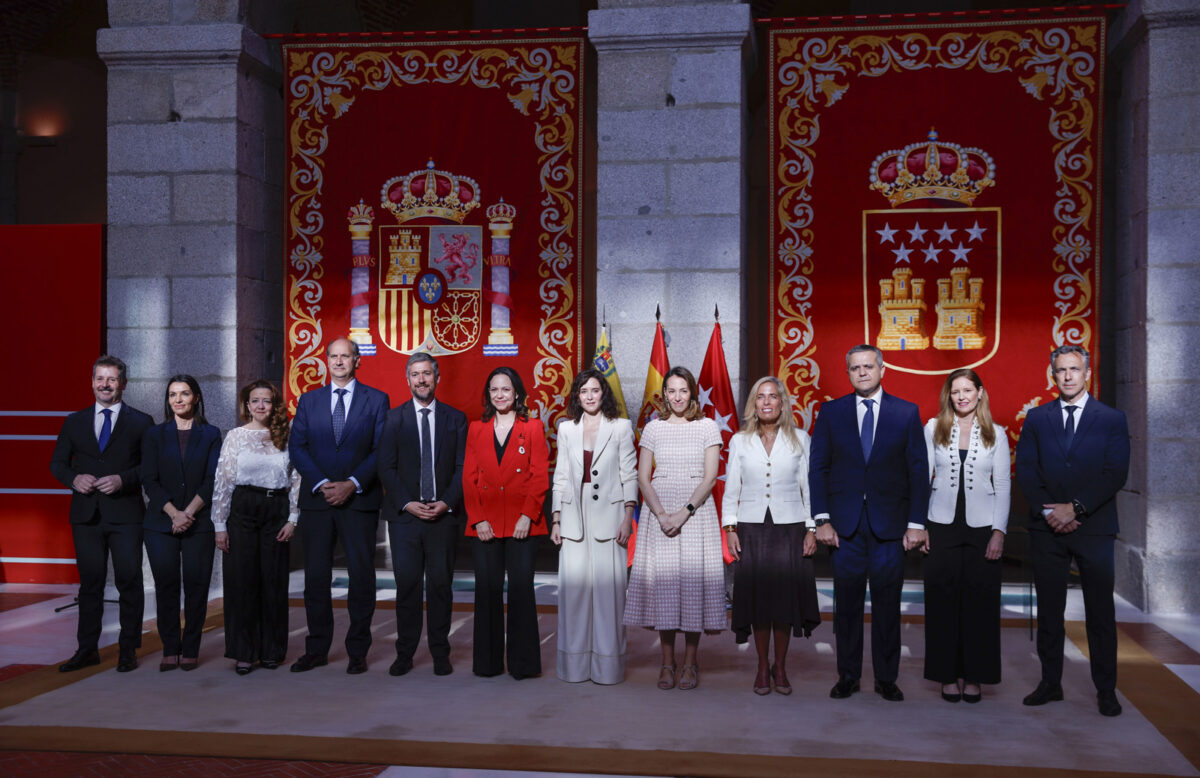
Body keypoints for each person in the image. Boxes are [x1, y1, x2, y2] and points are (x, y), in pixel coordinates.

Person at [810, 344, 929, 702]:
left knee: (887, 605)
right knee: (846, 606)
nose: (862, 372)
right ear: (848, 373)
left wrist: (916, 523)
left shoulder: (906, 413)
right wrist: (822, 520)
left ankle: (886, 678)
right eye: (855, 368)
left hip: (890, 528)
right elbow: (818, 468)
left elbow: (918, 472)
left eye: (868, 366)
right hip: (843, 528)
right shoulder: (830, 412)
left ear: (882, 369)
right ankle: (847, 675)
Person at [1015, 345, 1129, 717]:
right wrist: (1052, 511)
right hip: (1047, 528)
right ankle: (1050, 684)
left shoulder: (1111, 418)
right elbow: (1027, 471)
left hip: (1093, 528)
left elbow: (1115, 473)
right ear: (1053, 374)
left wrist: (1075, 508)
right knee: (1049, 612)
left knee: (1100, 613)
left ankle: (1106, 690)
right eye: (1060, 370)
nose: (1067, 376)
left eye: (1074, 370)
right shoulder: (1036, 418)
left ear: (1087, 373)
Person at [288, 338, 389, 675]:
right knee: (316, 577)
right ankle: (317, 648)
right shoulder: (309, 400)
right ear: (326, 360)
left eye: (346, 356)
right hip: (318, 501)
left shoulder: (376, 400)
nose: (339, 361)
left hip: (358, 500)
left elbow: (381, 449)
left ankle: (357, 651)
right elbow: (297, 446)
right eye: (334, 356)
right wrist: (321, 483)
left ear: (357, 360)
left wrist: (351, 484)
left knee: (361, 576)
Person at [51, 355, 154, 673]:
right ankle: (87, 650)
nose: (105, 384)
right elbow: (58, 463)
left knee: (129, 581)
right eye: (100, 378)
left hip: (126, 515)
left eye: (111, 379)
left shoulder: (141, 422)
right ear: (92, 382)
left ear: (123, 383)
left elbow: (150, 468)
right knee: (90, 585)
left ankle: (128, 649)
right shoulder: (74, 421)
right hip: (86, 516)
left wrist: (124, 479)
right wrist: (73, 478)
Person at [623, 366, 724, 691]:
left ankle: (691, 663)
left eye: (683, 390)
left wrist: (684, 513)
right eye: (671, 391)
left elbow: (709, 478)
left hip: (696, 512)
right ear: (664, 394)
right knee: (666, 587)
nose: (677, 396)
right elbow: (642, 477)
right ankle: (667, 663)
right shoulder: (653, 428)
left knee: (692, 586)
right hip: (659, 510)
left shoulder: (708, 427)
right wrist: (662, 513)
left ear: (692, 393)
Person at [723, 376, 820, 696]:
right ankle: (762, 666)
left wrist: (811, 528)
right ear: (754, 403)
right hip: (751, 529)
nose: (767, 402)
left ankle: (781, 666)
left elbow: (809, 488)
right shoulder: (740, 440)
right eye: (760, 397)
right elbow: (731, 488)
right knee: (759, 603)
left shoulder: (801, 439)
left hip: (790, 528)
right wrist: (730, 527)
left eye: (773, 397)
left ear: (782, 402)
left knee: (783, 603)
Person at [377, 352, 467, 677]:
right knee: (408, 587)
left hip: (443, 516)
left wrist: (446, 501)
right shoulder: (392, 419)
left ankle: (440, 653)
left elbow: (461, 468)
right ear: (408, 379)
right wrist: (407, 503)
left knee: (441, 587)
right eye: (415, 374)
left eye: (426, 373)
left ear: (437, 377)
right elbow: (385, 467)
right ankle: (405, 654)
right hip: (406, 519)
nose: (421, 380)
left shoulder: (455, 419)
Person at [922, 369, 1010, 703]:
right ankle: (946, 675)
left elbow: (1002, 485)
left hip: (982, 529)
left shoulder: (996, 433)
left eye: (967, 390)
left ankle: (976, 676)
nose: (961, 396)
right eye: (955, 391)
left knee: (981, 604)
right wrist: (919, 524)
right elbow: (921, 478)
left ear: (980, 393)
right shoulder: (933, 428)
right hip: (940, 525)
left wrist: (999, 532)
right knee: (942, 603)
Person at [550, 368, 638, 684]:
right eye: (583, 391)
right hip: (573, 515)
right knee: (573, 593)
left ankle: (608, 668)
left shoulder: (621, 427)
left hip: (611, 517)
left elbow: (630, 474)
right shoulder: (566, 429)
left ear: (604, 394)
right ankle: (574, 667)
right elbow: (560, 477)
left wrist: (628, 518)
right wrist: (556, 519)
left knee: (608, 594)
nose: (589, 396)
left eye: (595, 390)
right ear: (577, 396)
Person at [462, 366, 550, 679]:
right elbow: (469, 478)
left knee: (522, 591)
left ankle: (523, 665)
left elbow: (540, 476)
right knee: (487, 592)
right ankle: (487, 664)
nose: (500, 395)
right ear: (489, 394)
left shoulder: (534, 427)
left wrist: (528, 515)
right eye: (495, 390)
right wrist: (478, 519)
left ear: (517, 393)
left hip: (522, 523)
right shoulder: (476, 429)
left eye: (506, 389)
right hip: (485, 524)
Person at [211, 380, 300, 675]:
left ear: (274, 405)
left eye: (267, 401)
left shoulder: (286, 435)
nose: (261, 406)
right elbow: (222, 481)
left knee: (273, 582)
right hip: (242, 509)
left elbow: (297, 478)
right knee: (242, 582)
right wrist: (219, 524)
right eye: (255, 401)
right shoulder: (235, 436)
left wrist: (293, 518)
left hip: (276, 509)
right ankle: (244, 652)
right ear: (246, 405)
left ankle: (272, 650)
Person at [140, 374, 222, 672]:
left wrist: (188, 513)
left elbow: (213, 480)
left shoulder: (211, 433)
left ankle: (190, 648)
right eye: (173, 394)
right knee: (167, 586)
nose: (178, 399)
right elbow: (149, 479)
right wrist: (174, 513)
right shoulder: (154, 435)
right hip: (161, 523)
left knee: (197, 587)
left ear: (196, 397)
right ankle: (170, 647)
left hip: (198, 523)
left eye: (184, 393)